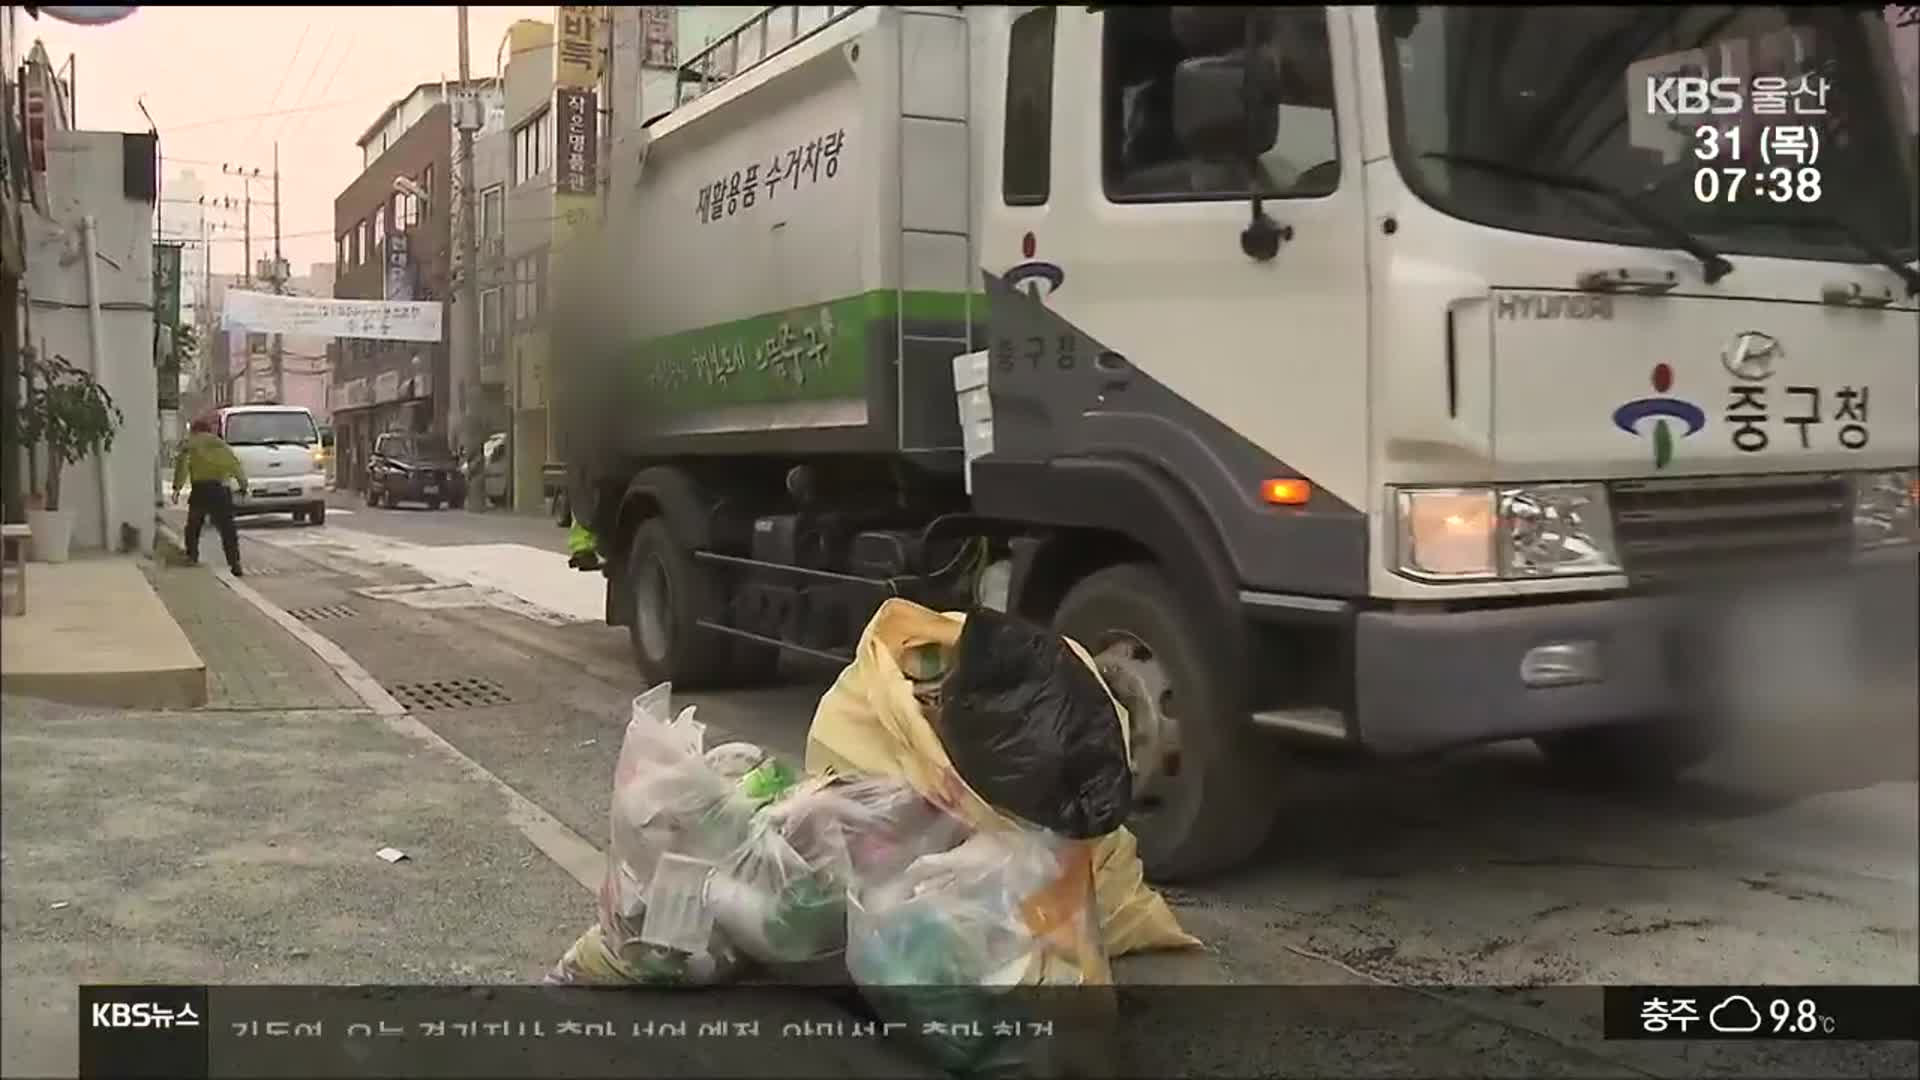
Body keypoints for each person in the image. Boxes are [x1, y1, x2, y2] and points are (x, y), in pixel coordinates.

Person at [171, 417, 248, 576]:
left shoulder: (190, 444)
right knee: (227, 529)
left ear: (194, 430)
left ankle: (192, 556)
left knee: (193, 526)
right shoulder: (221, 445)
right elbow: (235, 465)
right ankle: (235, 562)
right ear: (209, 430)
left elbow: (182, 467)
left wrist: (177, 489)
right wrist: (243, 485)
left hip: (201, 489)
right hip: (220, 489)